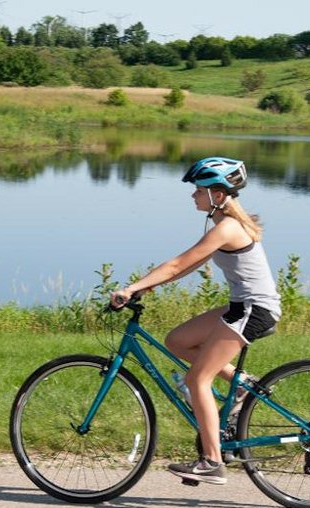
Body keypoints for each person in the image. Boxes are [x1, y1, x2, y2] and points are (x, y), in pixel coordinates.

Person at [109, 157, 282, 485]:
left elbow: (176, 265)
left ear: (218, 195)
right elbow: (186, 267)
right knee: (177, 341)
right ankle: (241, 386)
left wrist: (131, 288)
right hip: (242, 306)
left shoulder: (228, 227)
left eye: (198, 190)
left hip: (253, 310)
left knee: (196, 380)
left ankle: (212, 462)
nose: (193, 196)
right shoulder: (223, 224)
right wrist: (146, 286)